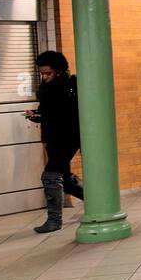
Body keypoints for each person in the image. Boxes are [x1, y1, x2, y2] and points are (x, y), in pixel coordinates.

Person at [24, 50, 84, 234]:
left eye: (48, 73)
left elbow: (69, 115)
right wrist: (37, 116)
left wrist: (48, 115)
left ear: (58, 71)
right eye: (42, 73)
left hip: (68, 137)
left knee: (50, 175)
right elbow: (48, 113)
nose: (44, 77)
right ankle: (97, 200)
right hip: (53, 138)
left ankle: (54, 221)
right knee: (64, 179)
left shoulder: (70, 87)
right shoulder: (46, 90)